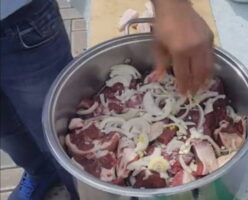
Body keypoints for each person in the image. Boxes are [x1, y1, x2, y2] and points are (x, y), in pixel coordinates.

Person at [0, 0, 213, 200]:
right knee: (7, 131)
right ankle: (40, 172)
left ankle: (77, 189)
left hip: (20, 21)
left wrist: (172, 5)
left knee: (45, 128)